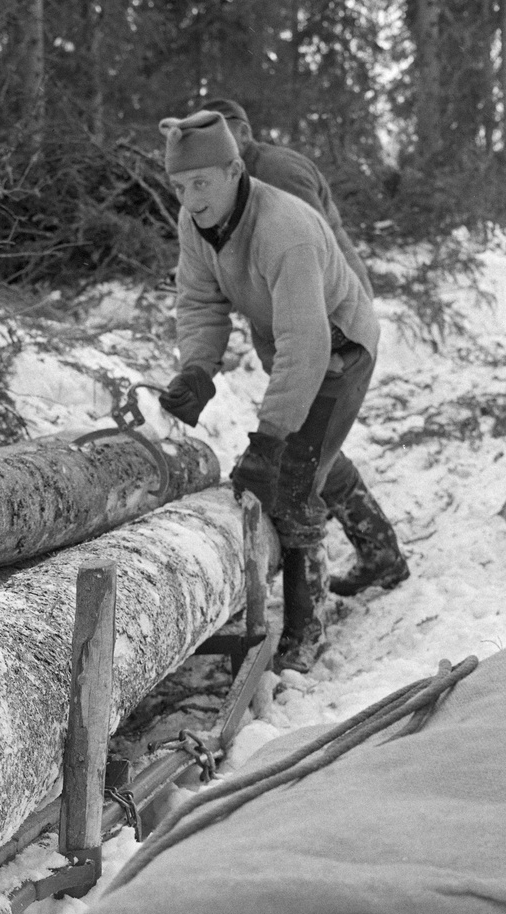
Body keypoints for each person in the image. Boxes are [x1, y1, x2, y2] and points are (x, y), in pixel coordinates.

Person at [156, 110, 408, 671]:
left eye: (200, 183)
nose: (190, 198)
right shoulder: (196, 223)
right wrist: (197, 370)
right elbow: (200, 302)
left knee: (293, 478)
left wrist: (269, 442)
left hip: (340, 348)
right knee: (316, 456)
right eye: (179, 185)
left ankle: (304, 632)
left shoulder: (283, 230)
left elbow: (308, 345)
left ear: (234, 170)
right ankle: (383, 556)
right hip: (297, 345)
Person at [200, 97, 373, 297]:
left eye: (216, 135)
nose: (206, 147)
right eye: (200, 140)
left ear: (244, 134)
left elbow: (313, 252)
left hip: (335, 299)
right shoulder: (236, 176)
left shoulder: (277, 173)